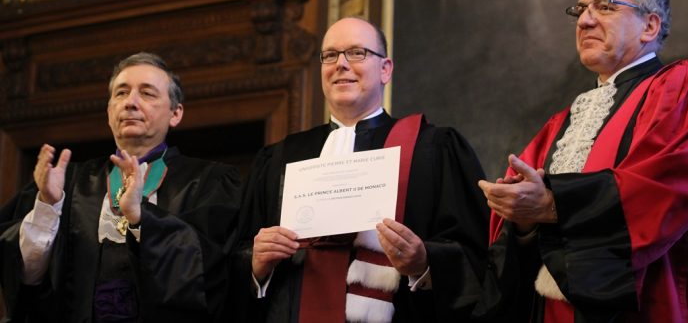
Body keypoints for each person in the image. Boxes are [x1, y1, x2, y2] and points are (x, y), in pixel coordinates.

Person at [232, 17, 489, 322]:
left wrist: (424, 262)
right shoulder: (281, 158)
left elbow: (477, 255)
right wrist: (255, 264)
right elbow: (235, 261)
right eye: (330, 55)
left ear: (385, 69)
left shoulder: (432, 148)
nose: (340, 64)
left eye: (357, 52)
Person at [474, 0, 688, 322]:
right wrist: (522, 217)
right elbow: (519, 231)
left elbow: (666, 186)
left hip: (642, 304)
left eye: (604, 7)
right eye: (580, 10)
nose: (585, 21)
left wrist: (555, 204)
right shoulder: (563, 122)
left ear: (650, 26)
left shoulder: (677, 89)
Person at [0, 52, 242, 322]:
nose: (131, 103)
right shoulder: (69, 182)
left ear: (176, 113)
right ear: (108, 112)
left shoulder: (209, 182)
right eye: (121, 93)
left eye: (147, 94)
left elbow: (212, 277)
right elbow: (26, 280)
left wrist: (141, 219)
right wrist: (48, 206)